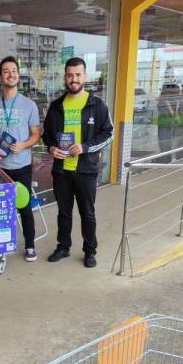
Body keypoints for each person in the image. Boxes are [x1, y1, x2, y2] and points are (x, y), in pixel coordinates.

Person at [42, 57, 113, 268]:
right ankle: (63, 247)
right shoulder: (56, 106)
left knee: (87, 214)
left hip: (86, 170)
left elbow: (109, 133)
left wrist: (86, 147)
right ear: (65, 77)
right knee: (63, 213)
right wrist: (51, 148)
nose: (74, 79)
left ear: (85, 76)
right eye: (70, 75)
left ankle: (90, 251)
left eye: (78, 75)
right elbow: (47, 135)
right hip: (62, 170)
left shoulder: (96, 105)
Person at [0, 56, 41, 261]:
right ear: (0, 76)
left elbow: (36, 134)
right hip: (0, 167)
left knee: (24, 206)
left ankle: (30, 246)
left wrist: (24, 145)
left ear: (18, 74)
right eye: (6, 71)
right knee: (2, 208)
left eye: (14, 70)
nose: (11, 74)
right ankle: (1, 244)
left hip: (22, 165)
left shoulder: (29, 105)